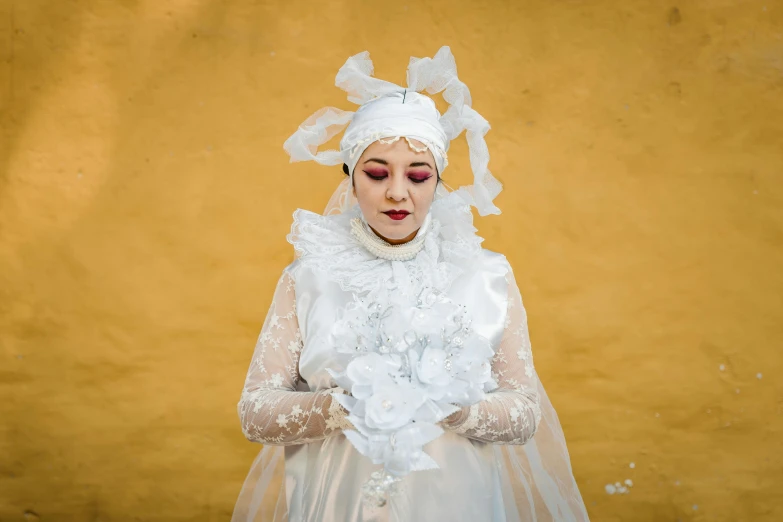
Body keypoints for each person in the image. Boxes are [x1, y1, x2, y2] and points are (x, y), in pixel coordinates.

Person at [231, 46, 590, 522]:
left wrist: (455, 409)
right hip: (338, 506)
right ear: (351, 177)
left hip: (459, 505)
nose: (397, 191)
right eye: (377, 173)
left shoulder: (487, 276)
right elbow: (255, 411)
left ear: (437, 182)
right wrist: (345, 406)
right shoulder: (309, 278)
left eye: (418, 176)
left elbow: (524, 413)